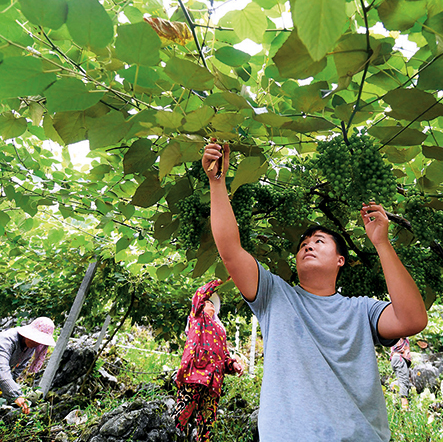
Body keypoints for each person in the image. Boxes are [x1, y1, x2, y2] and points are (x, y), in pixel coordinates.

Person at [202, 140, 428, 441]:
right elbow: (230, 250)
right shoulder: (275, 296)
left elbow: (413, 319)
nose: (308, 244)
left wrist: (381, 243)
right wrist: (217, 183)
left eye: (319, 241)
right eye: (304, 244)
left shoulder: (362, 310)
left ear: (340, 260)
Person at [174, 279, 244, 441]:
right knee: (182, 415)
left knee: (207, 424)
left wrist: (233, 364)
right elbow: (199, 295)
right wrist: (220, 280)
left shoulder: (220, 329)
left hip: (214, 381)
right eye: (207, 302)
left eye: (213, 303)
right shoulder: (197, 318)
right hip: (194, 374)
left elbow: (224, 356)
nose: (211, 304)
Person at [390, 337, 413, 409]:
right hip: (399, 358)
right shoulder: (399, 334)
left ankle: (396, 401)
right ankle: (404, 406)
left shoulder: (393, 334)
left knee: (400, 380)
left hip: (395, 358)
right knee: (403, 381)